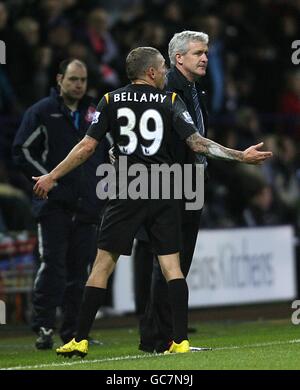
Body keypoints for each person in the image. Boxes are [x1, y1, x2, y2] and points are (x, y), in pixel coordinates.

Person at [32, 46, 272, 358]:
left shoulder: (109, 100)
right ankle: (180, 341)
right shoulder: (171, 100)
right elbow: (197, 143)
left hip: (128, 187)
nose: (165, 73)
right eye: (162, 68)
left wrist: (52, 175)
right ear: (150, 72)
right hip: (164, 186)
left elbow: (87, 147)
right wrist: (241, 156)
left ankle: (80, 339)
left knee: (102, 265)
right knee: (172, 266)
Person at [12, 59, 110, 349]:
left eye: (82, 80)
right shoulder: (42, 112)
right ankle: (43, 326)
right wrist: (45, 178)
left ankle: (73, 332)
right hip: (53, 203)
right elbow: (22, 150)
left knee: (80, 270)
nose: (78, 85)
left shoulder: (95, 112)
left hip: (87, 203)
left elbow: (107, 150)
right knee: (53, 265)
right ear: (59, 80)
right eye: (73, 79)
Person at [137, 30, 210, 353]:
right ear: (178, 58)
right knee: (169, 264)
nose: (205, 57)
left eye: (205, 52)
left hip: (189, 182)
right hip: (173, 183)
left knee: (176, 264)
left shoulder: (194, 91)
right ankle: (162, 337)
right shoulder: (170, 93)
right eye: (197, 53)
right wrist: (240, 157)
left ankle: (158, 336)